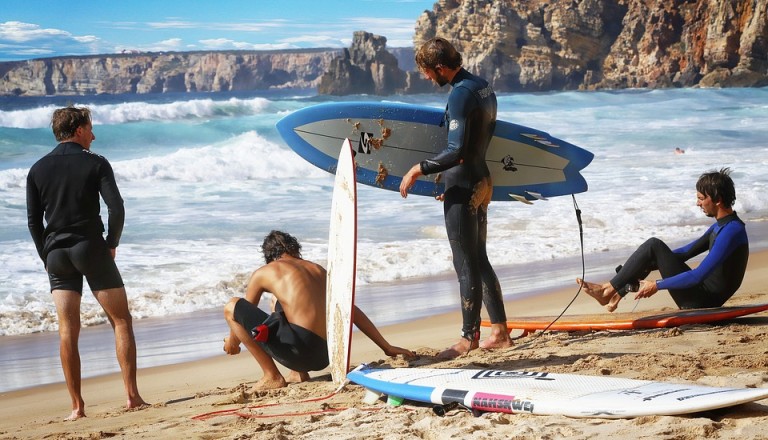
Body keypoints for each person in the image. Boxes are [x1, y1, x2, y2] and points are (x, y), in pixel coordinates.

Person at [26, 106, 147, 420]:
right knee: (121, 321)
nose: (93, 135)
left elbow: (33, 223)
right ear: (78, 129)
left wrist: (46, 256)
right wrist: (112, 244)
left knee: (67, 330)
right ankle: (132, 397)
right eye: (90, 128)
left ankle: (77, 407)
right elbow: (116, 208)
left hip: (56, 254)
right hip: (89, 247)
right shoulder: (96, 163)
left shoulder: (37, 169)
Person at [399, 37, 512, 359]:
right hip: (481, 179)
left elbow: (457, 150)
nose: (425, 78)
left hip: (464, 186)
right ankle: (500, 331)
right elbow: (477, 141)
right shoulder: (481, 86)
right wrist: (444, 175)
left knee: (465, 263)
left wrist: (417, 169)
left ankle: (467, 338)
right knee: (479, 257)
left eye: (425, 72)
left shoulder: (461, 95)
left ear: (439, 68)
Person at [223, 230, 415, 391]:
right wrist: (386, 347)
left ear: (269, 256)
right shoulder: (318, 270)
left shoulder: (266, 271)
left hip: (299, 353)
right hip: (325, 355)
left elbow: (242, 314)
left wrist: (232, 343)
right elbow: (350, 309)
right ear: (295, 249)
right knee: (278, 300)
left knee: (232, 305)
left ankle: (272, 376)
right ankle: (298, 374)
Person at [577, 168, 749, 312]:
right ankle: (615, 294)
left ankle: (607, 290)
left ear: (718, 200)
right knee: (654, 251)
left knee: (654, 244)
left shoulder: (732, 231)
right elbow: (684, 253)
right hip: (700, 296)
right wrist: (647, 264)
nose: (698, 204)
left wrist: (657, 285)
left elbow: (697, 276)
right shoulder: (722, 226)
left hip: (702, 302)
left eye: (701, 198)